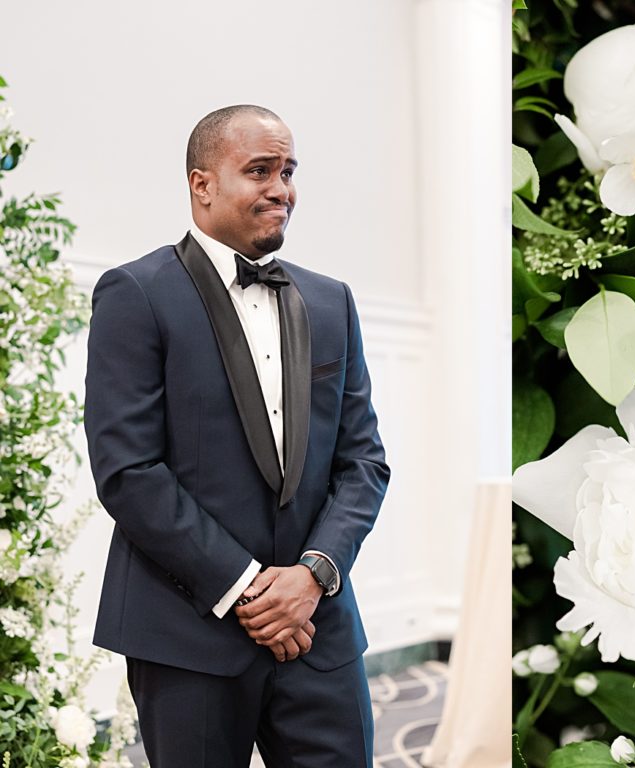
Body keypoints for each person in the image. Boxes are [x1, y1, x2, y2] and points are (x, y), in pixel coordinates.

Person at [84, 104, 390, 767]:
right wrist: (250, 589)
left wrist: (311, 578)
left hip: (318, 631)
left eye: (288, 171)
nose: (282, 189)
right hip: (187, 633)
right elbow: (127, 471)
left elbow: (363, 461)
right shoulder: (134, 293)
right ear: (202, 184)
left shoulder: (332, 300)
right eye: (260, 171)